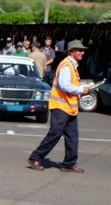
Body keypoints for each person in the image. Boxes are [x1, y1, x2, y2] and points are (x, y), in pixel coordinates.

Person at [28, 40, 92, 174]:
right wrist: (81, 90)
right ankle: (35, 157)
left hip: (68, 107)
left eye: (82, 50)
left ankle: (69, 163)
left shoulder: (71, 65)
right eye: (79, 50)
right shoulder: (66, 65)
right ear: (71, 52)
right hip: (60, 106)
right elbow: (64, 86)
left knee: (72, 136)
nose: (82, 52)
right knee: (55, 134)